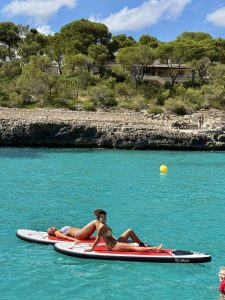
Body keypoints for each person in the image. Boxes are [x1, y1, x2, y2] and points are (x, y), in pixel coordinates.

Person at [85, 209, 162, 252]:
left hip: (115, 242)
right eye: (102, 217)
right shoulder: (102, 226)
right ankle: (154, 248)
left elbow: (108, 235)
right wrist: (91, 249)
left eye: (104, 216)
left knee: (129, 231)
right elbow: (98, 239)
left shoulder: (103, 224)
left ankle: (141, 244)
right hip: (112, 245)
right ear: (98, 218)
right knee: (131, 247)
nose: (104, 218)